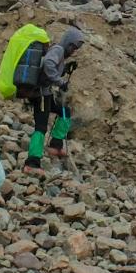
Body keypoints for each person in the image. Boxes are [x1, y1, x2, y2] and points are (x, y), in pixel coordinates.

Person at [24, 27, 84, 172]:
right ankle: (31, 163)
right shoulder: (57, 50)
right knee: (41, 127)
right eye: (74, 47)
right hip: (40, 95)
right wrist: (60, 82)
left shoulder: (61, 53)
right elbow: (48, 65)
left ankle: (55, 145)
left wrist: (66, 68)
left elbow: (53, 68)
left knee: (64, 112)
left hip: (46, 93)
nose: (74, 50)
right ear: (68, 43)